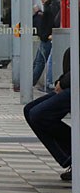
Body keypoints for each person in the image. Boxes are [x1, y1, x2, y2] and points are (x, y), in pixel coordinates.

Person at [23, 48, 72, 181]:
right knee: (29, 110)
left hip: (73, 87)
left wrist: (63, 82)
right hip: (71, 85)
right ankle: (70, 156)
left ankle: (73, 155)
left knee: (39, 114)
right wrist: (61, 81)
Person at [32, 0, 60, 88]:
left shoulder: (50, 6)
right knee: (38, 61)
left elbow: (50, 22)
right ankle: (31, 81)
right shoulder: (53, 5)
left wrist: (46, 35)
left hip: (47, 38)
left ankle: (31, 82)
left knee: (40, 62)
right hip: (47, 37)